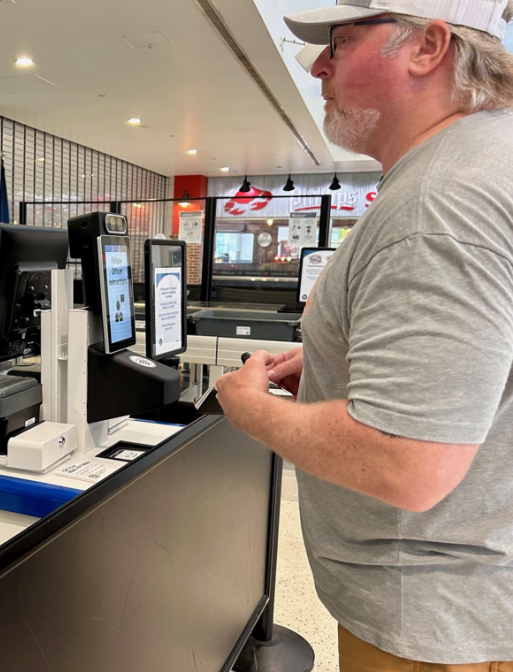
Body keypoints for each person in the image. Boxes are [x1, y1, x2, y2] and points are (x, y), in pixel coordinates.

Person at [214, 1, 513, 670]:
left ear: (427, 47)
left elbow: (405, 462)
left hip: (438, 624)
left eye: (340, 44)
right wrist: (329, 363)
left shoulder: (439, 200)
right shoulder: (484, 160)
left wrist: (251, 410)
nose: (318, 65)